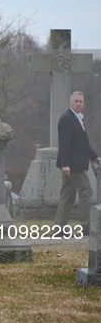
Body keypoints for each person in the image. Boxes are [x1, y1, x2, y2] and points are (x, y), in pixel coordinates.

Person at [55, 91, 101, 234]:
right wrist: (65, 164)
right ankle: (87, 227)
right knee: (86, 191)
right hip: (72, 166)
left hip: (72, 164)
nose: (79, 104)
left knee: (67, 196)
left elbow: (83, 144)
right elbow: (64, 143)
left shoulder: (78, 118)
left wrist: (95, 158)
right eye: (76, 101)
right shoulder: (67, 118)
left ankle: (60, 228)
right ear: (70, 103)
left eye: (81, 101)